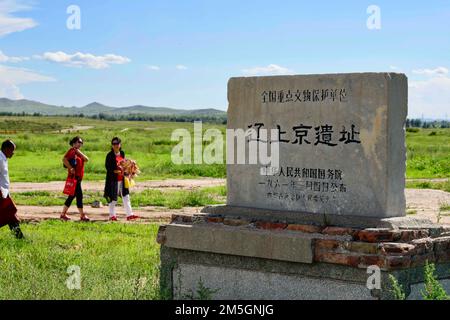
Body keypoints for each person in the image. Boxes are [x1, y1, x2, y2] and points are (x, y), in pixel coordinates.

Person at [104, 137, 139, 221]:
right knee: (113, 198)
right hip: (113, 180)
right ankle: (112, 216)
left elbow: (124, 164)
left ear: (120, 145)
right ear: (112, 145)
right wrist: (117, 171)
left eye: (117, 144)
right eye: (114, 144)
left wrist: (130, 167)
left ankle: (129, 215)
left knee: (126, 196)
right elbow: (108, 168)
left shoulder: (122, 153)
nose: (115, 145)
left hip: (122, 179)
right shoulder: (109, 155)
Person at [60, 136, 90, 222]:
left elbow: (86, 159)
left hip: (78, 178)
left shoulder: (77, 152)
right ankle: (82, 215)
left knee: (72, 196)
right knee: (79, 196)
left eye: (81, 142)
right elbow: (64, 159)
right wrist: (70, 168)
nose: (80, 144)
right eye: (78, 142)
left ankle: (63, 214)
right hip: (74, 178)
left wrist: (78, 151)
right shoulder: (71, 151)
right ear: (73, 143)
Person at [0, 140, 23, 239]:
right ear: (6, 149)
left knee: (9, 214)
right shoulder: (0, 159)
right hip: (0, 192)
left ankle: (19, 237)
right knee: (9, 214)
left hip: (4, 192)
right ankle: (19, 237)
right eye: (12, 150)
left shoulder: (3, 158)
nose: (13, 153)